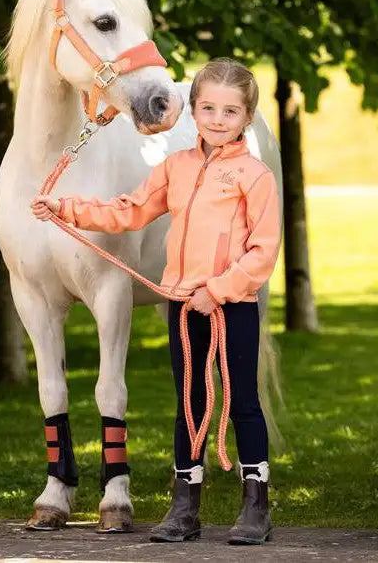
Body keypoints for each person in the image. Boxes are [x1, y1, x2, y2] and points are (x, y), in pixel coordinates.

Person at [31, 58, 281, 545]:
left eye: (230, 111)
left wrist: (219, 290)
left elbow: (263, 251)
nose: (216, 119)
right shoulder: (176, 167)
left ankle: (256, 503)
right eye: (207, 107)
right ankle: (185, 505)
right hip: (185, 305)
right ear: (193, 110)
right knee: (188, 404)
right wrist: (66, 208)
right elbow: (129, 210)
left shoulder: (255, 177)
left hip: (233, 306)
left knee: (242, 402)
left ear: (246, 118)